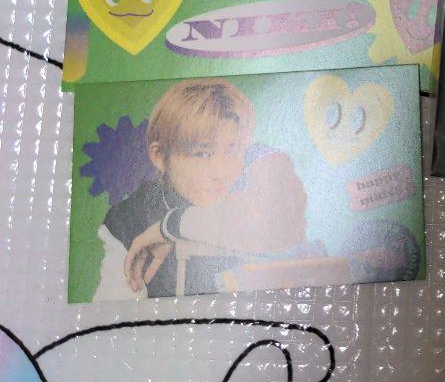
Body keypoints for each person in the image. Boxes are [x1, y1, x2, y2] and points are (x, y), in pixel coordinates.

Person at [94, 79, 308, 300]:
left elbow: (280, 232)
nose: (221, 172)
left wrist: (170, 227)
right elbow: (115, 310)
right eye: (202, 154)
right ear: (160, 156)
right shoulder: (128, 219)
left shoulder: (255, 178)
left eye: (232, 150)